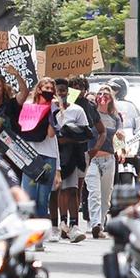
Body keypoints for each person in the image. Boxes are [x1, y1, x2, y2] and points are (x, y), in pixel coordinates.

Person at [53, 79, 94, 243]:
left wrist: (69, 137)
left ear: (68, 92)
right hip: (55, 155)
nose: (61, 94)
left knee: (72, 189)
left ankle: (74, 224)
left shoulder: (78, 110)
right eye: (58, 91)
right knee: (59, 190)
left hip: (73, 155)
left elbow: (86, 134)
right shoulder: (50, 110)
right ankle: (62, 223)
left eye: (63, 90)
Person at [18, 78, 59, 241]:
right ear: (39, 89)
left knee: (43, 198)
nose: (48, 90)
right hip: (31, 156)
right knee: (30, 196)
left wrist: (52, 111)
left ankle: (40, 235)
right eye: (45, 87)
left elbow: (51, 134)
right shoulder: (29, 106)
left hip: (48, 157)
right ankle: (28, 232)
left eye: (51, 87)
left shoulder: (55, 109)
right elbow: (25, 131)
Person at [86, 86, 120, 238]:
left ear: (111, 99)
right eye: (99, 93)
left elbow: (118, 139)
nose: (102, 96)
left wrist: (121, 143)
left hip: (109, 159)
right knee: (94, 193)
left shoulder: (115, 118)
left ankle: (101, 222)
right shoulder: (90, 115)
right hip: (92, 159)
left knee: (106, 196)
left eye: (106, 94)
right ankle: (95, 224)